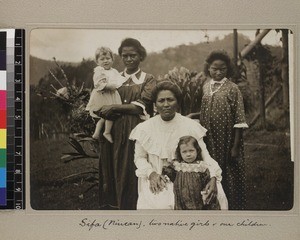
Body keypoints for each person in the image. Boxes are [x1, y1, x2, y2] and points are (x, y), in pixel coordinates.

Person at [129, 81, 225, 209]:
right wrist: (151, 174)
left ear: (178, 103)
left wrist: (213, 177)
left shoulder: (190, 125)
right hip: (159, 176)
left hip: (192, 177)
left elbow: (205, 155)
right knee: (163, 205)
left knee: (218, 196)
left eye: (170, 100)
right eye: (161, 101)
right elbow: (139, 158)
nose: (166, 104)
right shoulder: (144, 128)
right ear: (155, 105)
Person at [97, 38, 156, 210]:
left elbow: (141, 105)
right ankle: (116, 207)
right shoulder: (113, 77)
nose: (129, 59)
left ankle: (137, 206)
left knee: (133, 166)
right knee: (113, 166)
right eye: (125, 56)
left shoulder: (148, 79)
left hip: (136, 129)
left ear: (141, 56)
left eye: (133, 55)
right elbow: (101, 98)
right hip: (113, 129)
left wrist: (114, 107)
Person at [199, 50, 248, 210]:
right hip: (209, 138)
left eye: (222, 69)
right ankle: (214, 203)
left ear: (228, 69)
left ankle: (232, 206)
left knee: (228, 170)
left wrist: (235, 146)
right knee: (211, 168)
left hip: (227, 138)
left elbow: (239, 120)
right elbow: (205, 110)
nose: (218, 72)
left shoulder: (232, 89)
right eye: (214, 69)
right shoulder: (206, 87)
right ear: (208, 68)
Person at [162, 135, 228, 210]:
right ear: (180, 153)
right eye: (184, 152)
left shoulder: (201, 166)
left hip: (196, 198)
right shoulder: (177, 166)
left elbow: (206, 181)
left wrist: (205, 193)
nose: (188, 154)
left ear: (197, 150)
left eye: (191, 150)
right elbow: (170, 174)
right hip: (181, 198)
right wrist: (165, 174)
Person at [85, 47, 126, 143]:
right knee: (105, 114)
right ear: (97, 61)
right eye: (102, 59)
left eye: (108, 58)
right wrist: (108, 86)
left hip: (111, 95)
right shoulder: (99, 70)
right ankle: (104, 132)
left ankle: (100, 132)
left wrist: (119, 84)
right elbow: (98, 83)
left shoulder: (114, 71)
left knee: (108, 114)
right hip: (102, 95)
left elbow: (118, 80)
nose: (105, 61)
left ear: (112, 59)